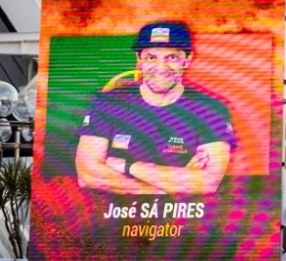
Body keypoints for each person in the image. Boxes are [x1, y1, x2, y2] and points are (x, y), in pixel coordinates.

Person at [75, 21, 235, 195]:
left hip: (184, 212)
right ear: (139, 60)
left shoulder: (210, 109)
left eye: (172, 58)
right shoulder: (108, 102)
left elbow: (207, 183)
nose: (161, 67)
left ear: (187, 60)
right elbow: (88, 175)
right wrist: (168, 188)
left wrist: (128, 166)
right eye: (151, 58)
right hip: (114, 211)